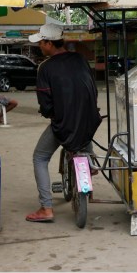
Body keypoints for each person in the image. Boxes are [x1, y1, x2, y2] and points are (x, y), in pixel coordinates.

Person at [26, 24, 101, 223]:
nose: (40, 46)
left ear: (50, 43)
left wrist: (49, 113)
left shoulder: (46, 67)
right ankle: (89, 161)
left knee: (39, 158)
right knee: (83, 131)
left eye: (41, 43)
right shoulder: (81, 59)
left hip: (64, 122)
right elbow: (92, 88)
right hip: (89, 119)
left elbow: (45, 103)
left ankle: (46, 208)